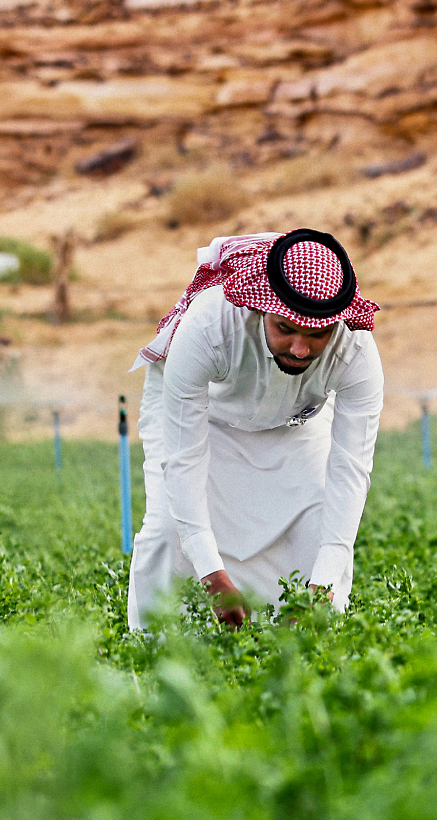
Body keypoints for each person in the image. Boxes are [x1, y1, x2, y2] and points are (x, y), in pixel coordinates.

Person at [126, 229, 384, 629]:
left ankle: (303, 668)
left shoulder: (356, 352)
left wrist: (324, 580)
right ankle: (154, 662)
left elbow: (351, 471)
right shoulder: (209, 328)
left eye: (317, 335)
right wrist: (211, 574)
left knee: (317, 538)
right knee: (167, 530)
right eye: (286, 329)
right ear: (261, 308)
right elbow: (183, 458)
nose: (301, 349)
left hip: (296, 426)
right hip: (203, 421)